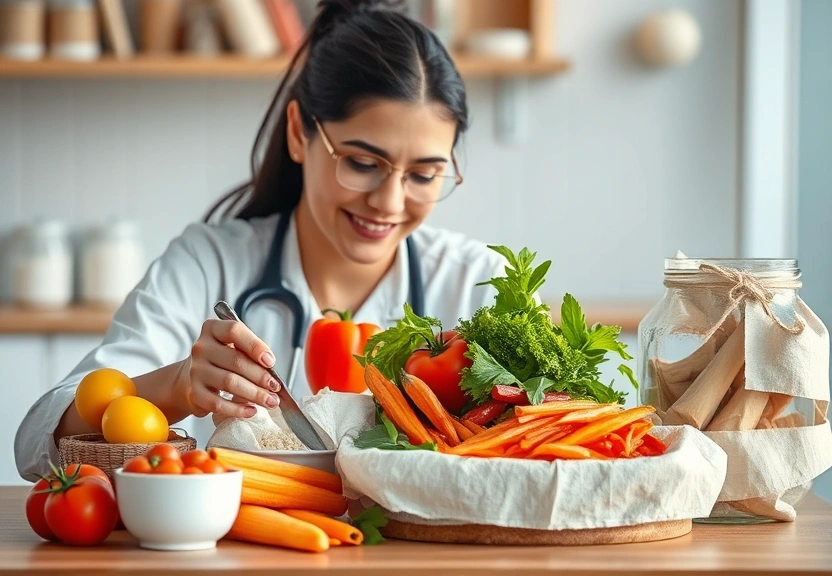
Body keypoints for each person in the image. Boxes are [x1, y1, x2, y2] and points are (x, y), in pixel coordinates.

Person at [15, 0, 504, 481]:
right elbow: (38, 440)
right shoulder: (207, 263)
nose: (390, 202)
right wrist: (177, 385)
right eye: (361, 163)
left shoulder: (477, 282)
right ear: (298, 133)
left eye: (423, 174)